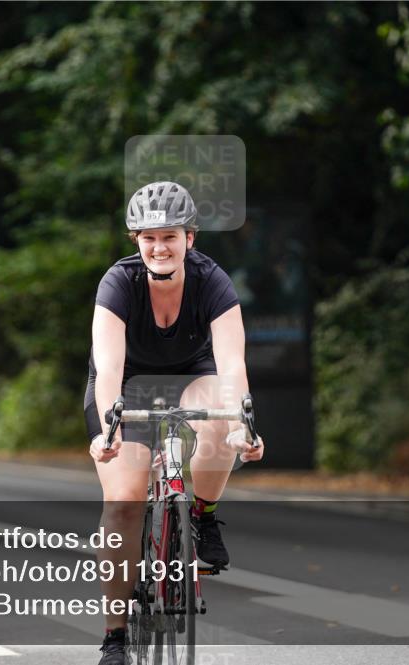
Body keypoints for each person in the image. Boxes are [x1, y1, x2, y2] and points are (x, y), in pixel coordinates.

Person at [85, 181, 265, 664]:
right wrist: (109, 430)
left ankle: (202, 514)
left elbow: (232, 366)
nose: (159, 247)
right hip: (127, 385)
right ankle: (116, 635)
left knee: (224, 419)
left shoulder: (213, 282)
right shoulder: (118, 283)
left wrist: (244, 425)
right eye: (149, 238)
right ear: (135, 240)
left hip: (193, 376)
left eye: (170, 236)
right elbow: (107, 367)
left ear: (190, 238)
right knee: (123, 500)